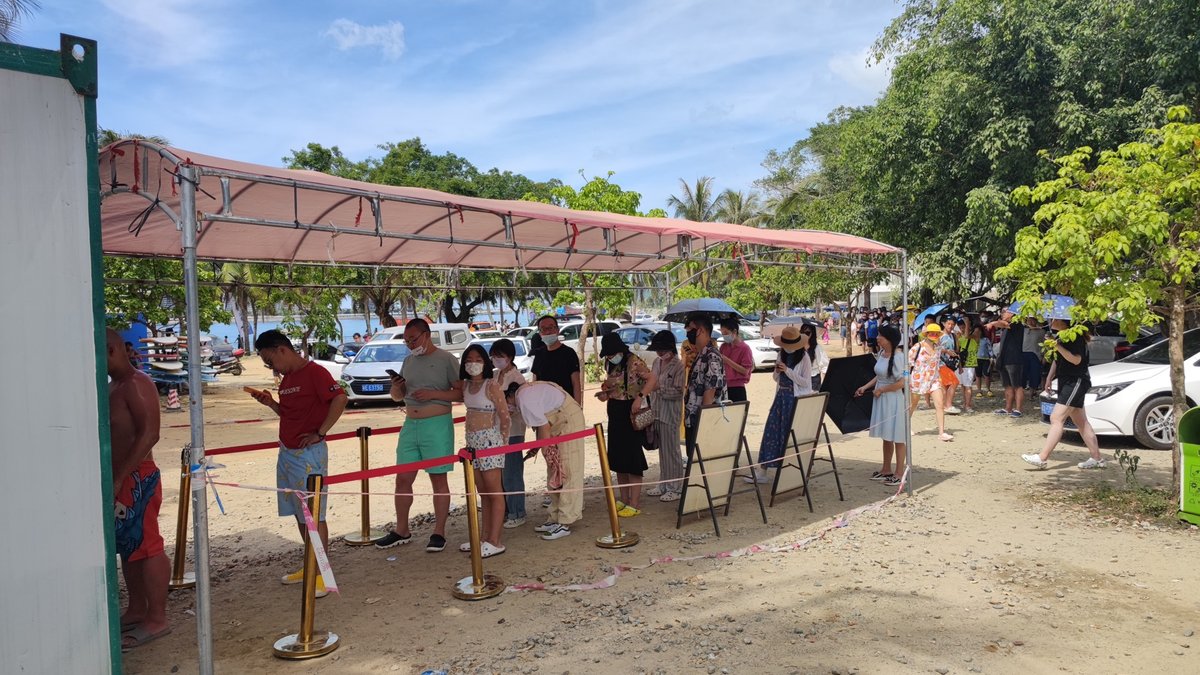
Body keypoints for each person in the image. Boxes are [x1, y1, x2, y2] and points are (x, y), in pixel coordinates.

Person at [249, 329, 348, 597]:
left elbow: (340, 398)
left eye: (270, 360)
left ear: (282, 349)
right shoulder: (288, 378)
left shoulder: (315, 372)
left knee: (315, 514)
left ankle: (323, 574)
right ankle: (311, 564)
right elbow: (289, 413)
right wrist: (271, 403)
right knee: (299, 511)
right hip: (288, 452)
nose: (270, 366)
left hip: (308, 455)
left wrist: (321, 432)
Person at [106, 328, 170, 651]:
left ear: (113, 350)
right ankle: (138, 608)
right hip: (122, 478)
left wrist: (123, 475)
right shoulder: (113, 387)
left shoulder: (137, 384)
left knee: (148, 546)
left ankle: (157, 617)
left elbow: (150, 434)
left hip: (138, 476)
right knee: (128, 546)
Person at [376, 319, 463, 552]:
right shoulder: (408, 360)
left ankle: (439, 532)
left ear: (427, 335)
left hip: (437, 424)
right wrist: (396, 386)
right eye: (406, 341)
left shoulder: (446, 359)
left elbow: (461, 393)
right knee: (403, 478)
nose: (410, 344)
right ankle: (401, 529)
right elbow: (398, 396)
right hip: (410, 424)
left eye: (413, 339)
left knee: (438, 478)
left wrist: (436, 393)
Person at [504, 380, 586, 540]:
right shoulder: (525, 394)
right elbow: (543, 424)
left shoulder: (523, 398)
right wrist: (542, 446)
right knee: (555, 471)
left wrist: (545, 449)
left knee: (568, 469)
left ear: (509, 396)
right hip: (555, 424)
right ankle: (555, 517)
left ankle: (565, 521)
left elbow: (543, 427)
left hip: (568, 422)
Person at [1022, 321, 1105, 470]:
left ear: (1064, 321)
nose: (1051, 321)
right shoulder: (1061, 336)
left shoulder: (1075, 337)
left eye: (1055, 318)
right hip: (1066, 381)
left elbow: (1076, 359)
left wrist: (1057, 346)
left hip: (1076, 381)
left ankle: (1042, 458)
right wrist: (1049, 377)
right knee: (1081, 422)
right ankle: (1097, 458)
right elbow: (1057, 359)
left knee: (1056, 418)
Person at [596, 333, 656, 516]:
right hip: (614, 412)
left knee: (632, 459)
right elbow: (615, 387)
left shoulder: (634, 361)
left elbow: (652, 379)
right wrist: (605, 393)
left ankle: (635, 502)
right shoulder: (610, 364)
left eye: (611, 353)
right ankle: (624, 499)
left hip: (631, 412)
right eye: (607, 354)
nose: (609, 357)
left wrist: (640, 397)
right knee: (618, 459)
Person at [459, 344, 510, 557]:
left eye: (478, 359)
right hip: (472, 441)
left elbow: (505, 415)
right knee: (483, 492)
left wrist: (501, 443)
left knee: (494, 490)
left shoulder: (492, 385)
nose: (473, 364)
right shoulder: (466, 386)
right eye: (469, 360)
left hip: (490, 441)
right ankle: (484, 538)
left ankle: (495, 540)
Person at [749, 326, 812, 484]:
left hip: (794, 398)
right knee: (771, 430)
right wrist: (778, 371)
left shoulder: (804, 357)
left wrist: (788, 371)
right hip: (780, 397)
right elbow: (776, 378)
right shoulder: (781, 354)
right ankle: (763, 469)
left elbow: (806, 382)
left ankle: (788, 470)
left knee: (788, 434)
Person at [855, 325, 908, 487]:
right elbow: (879, 376)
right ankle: (886, 469)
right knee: (887, 435)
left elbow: (903, 382)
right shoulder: (881, 354)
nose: (877, 338)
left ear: (889, 339)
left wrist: (883, 389)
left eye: (880, 336)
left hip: (893, 400)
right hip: (881, 398)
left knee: (898, 436)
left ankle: (899, 473)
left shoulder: (900, 357)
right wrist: (865, 387)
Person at [489, 339, 529, 529]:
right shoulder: (495, 376)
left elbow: (519, 406)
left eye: (500, 356)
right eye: (494, 356)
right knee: (501, 474)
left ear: (510, 357)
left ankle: (517, 511)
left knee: (512, 473)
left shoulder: (517, 378)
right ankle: (506, 510)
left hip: (513, 430)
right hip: (496, 430)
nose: (496, 359)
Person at [646, 330, 685, 502]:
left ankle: (675, 487)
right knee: (662, 451)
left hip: (670, 413)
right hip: (657, 411)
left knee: (672, 452)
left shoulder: (679, 365)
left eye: (662, 349)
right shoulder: (656, 362)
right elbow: (651, 381)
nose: (659, 353)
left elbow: (678, 392)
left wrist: (658, 388)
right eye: (657, 350)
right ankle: (664, 483)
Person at [910, 324, 953, 441]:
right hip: (917, 380)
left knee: (939, 405)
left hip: (934, 380)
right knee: (912, 405)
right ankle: (905, 425)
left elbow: (942, 352)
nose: (934, 335)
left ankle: (941, 432)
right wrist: (905, 378)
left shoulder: (938, 347)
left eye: (936, 333)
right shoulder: (917, 347)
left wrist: (949, 352)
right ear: (927, 334)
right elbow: (907, 364)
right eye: (931, 333)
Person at [530, 315, 583, 405]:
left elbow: (576, 384)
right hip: (545, 407)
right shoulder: (539, 354)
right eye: (543, 329)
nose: (547, 332)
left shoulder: (569, 353)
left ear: (557, 330)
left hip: (565, 407)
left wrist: (577, 408)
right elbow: (535, 383)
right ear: (540, 333)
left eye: (550, 327)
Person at [988, 310, 1026, 417]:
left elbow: (1003, 323)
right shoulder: (1005, 328)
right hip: (1004, 360)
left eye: (1005, 312)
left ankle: (1018, 409)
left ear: (1012, 314)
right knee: (1007, 385)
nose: (1003, 314)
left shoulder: (1017, 324)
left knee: (1017, 385)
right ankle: (1008, 408)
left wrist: (992, 323)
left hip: (1014, 360)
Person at [717, 318, 754, 403]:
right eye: (722, 334)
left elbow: (745, 371)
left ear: (734, 332)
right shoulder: (724, 346)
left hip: (737, 388)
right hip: (723, 386)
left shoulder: (745, 348)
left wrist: (727, 360)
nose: (724, 336)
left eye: (726, 333)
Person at [938, 318, 962, 414]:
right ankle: (948, 405)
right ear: (944, 324)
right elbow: (935, 348)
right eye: (948, 323)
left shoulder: (953, 335)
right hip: (941, 363)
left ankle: (943, 405)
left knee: (945, 385)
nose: (950, 326)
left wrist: (959, 365)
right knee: (954, 382)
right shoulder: (939, 335)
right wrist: (946, 351)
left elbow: (957, 350)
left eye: (952, 324)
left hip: (950, 363)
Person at [958, 323, 980, 413]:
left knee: (968, 386)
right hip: (961, 364)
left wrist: (967, 322)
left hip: (970, 364)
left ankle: (968, 405)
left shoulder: (974, 337)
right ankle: (966, 403)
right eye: (961, 328)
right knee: (963, 385)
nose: (962, 329)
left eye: (964, 327)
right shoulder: (959, 338)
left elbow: (967, 336)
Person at [1022, 317, 1047, 393]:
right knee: (1023, 374)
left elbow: (1045, 345)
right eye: (1029, 320)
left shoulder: (1042, 332)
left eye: (1032, 320)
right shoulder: (1023, 331)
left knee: (1034, 375)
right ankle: (1022, 391)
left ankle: (1032, 393)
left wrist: (1044, 357)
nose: (1031, 322)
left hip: (1036, 355)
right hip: (1023, 353)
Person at [800, 323, 828, 390]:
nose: (804, 335)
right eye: (802, 332)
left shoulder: (817, 348)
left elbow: (824, 366)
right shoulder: (797, 347)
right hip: (800, 379)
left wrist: (823, 385)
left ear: (812, 334)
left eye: (807, 332)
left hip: (813, 379)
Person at [976, 313, 995, 398]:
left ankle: (988, 389)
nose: (977, 332)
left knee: (986, 374)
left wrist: (991, 357)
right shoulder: (973, 340)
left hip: (986, 359)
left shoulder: (986, 339)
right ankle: (979, 390)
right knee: (978, 375)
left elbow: (990, 348)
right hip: (976, 359)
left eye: (979, 331)